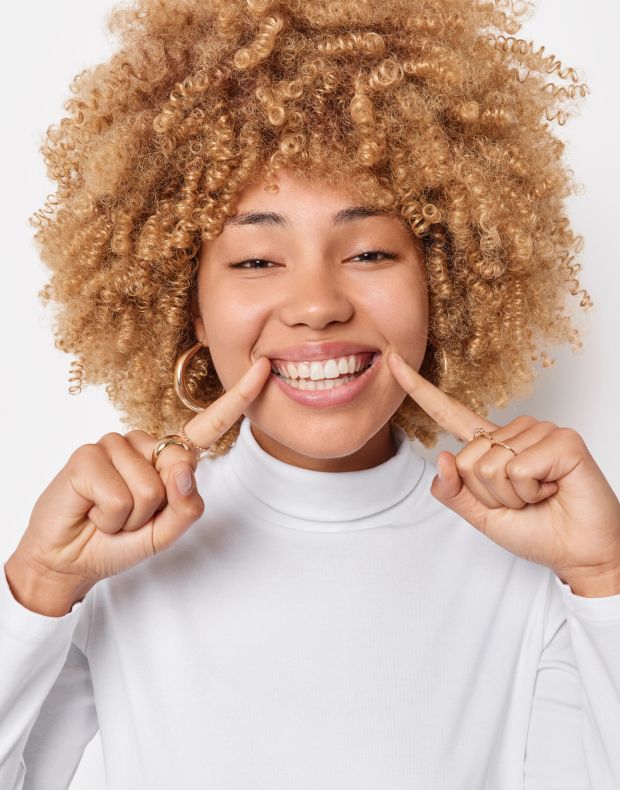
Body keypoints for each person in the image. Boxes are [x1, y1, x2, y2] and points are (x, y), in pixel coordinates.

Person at [1, 0, 619, 788]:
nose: (318, 305)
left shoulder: (538, 569)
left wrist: (606, 577)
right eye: (257, 261)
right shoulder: (109, 563)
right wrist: (39, 588)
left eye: (368, 253)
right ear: (189, 305)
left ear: (444, 284)